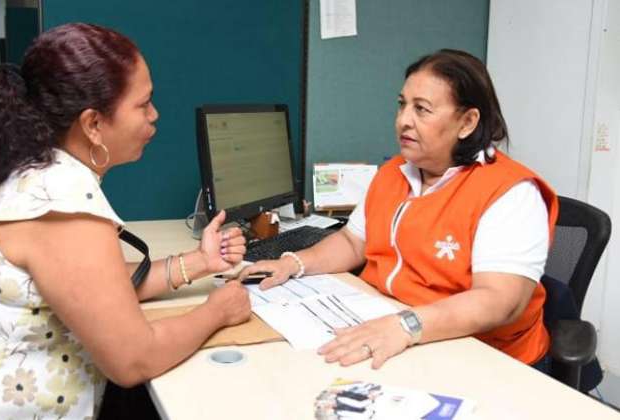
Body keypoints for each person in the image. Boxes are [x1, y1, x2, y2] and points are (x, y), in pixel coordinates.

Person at [0, 23, 251, 419]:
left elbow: (92, 289)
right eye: (143, 104)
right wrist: (219, 311)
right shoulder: (59, 201)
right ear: (93, 124)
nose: (155, 115)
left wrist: (198, 263)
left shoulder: (26, 164)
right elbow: (133, 359)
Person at [239, 49, 558, 372]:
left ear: (467, 122)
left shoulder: (510, 192)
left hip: (487, 358)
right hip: (399, 329)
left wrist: (404, 326)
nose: (403, 120)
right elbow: (353, 242)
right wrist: (295, 263)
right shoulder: (394, 172)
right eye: (402, 104)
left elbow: (498, 301)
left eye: (422, 109)